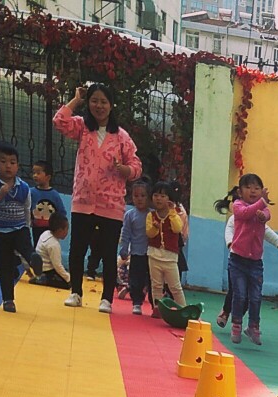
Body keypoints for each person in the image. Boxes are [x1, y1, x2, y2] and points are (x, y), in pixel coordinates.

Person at [52, 81, 140, 312]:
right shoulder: (82, 128)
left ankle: (106, 299)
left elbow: (136, 166)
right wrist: (76, 99)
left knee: (108, 253)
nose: (99, 106)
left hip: (111, 204)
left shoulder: (121, 136)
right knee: (77, 250)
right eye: (94, 101)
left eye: (103, 101)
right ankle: (75, 292)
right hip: (83, 201)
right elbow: (59, 121)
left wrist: (125, 170)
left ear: (111, 105)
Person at [222, 173, 278, 344]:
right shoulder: (238, 206)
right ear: (240, 192)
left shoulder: (263, 209)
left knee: (255, 297)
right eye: (248, 187)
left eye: (257, 188)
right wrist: (262, 202)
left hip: (255, 264)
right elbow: (245, 214)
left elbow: (267, 224)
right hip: (237, 261)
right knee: (238, 294)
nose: (253, 191)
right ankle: (236, 324)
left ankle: (253, 326)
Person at [0, 142, 42, 312]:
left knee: (26, 247)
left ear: (18, 166)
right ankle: (8, 300)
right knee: (6, 266)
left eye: (12, 162)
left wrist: (27, 226)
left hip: (20, 227)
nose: (8, 166)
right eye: (3, 161)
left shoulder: (23, 187)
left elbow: (27, 208)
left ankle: (33, 259)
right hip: (0, 232)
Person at [144, 180, 186, 312]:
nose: (158, 199)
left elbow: (177, 228)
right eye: (156, 195)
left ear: (169, 199)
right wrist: (155, 228)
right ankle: (157, 308)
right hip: (154, 255)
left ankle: (183, 308)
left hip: (170, 257)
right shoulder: (151, 215)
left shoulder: (175, 215)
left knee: (175, 287)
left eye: (163, 196)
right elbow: (149, 233)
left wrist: (172, 212)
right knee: (156, 285)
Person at [117, 176, 151, 313]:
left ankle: (154, 303)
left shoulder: (152, 215)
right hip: (136, 253)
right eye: (136, 196)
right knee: (135, 279)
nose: (139, 199)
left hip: (151, 254)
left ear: (148, 197)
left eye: (143, 196)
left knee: (149, 280)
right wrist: (124, 248)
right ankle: (136, 302)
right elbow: (126, 233)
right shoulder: (130, 215)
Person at [29, 160, 67, 243]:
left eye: (38, 173)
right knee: (38, 246)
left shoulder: (54, 194)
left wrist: (60, 226)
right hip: (37, 228)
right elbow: (28, 207)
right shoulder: (31, 192)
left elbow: (62, 212)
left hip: (51, 229)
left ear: (48, 177)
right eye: (34, 173)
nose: (35, 175)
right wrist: (30, 219)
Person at [35, 217, 70, 287]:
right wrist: (68, 278)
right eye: (66, 229)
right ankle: (44, 279)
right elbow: (57, 265)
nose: (67, 232)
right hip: (47, 271)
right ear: (60, 231)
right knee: (66, 284)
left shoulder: (46, 233)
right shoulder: (54, 244)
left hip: (41, 267)